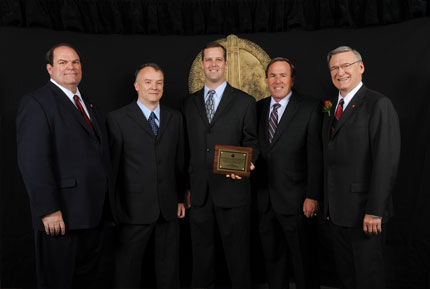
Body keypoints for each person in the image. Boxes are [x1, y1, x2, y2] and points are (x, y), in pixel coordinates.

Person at [16, 43, 111, 289]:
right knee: (58, 281)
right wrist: (48, 209)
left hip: (92, 214)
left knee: (87, 280)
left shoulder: (87, 103)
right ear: (49, 69)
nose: (71, 67)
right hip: (61, 215)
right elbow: (32, 160)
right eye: (63, 62)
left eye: (76, 62)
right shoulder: (37, 103)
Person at [322, 46, 401, 289]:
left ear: (361, 67)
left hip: (365, 214)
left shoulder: (378, 104)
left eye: (346, 65)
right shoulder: (331, 107)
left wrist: (375, 209)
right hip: (337, 213)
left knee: (369, 279)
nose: (340, 72)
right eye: (334, 67)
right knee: (347, 278)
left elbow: (386, 160)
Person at [182, 41, 258, 289]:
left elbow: (252, 142)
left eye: (218, 59)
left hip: (232, 191)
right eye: (208, 60)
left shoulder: (245, 102)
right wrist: (186, 188)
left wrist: (249, 163)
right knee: (200, 258)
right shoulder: (188, 104)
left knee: (238, 258)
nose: (213, 64)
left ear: (226, 64)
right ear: (202, 65)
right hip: (199, 194)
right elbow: (184, 149)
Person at [107, 63, 186, 289]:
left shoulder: (175, 118)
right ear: (136, 86)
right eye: (148, 82)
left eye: (159, 83)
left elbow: (179, 162)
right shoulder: (117, 119)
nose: (154, 87)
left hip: (168, 206)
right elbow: (113, 169)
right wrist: (114, 209)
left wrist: (180, 196)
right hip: (132, 209)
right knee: (127, 268)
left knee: (169, 268)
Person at [256, 57, 322, 289]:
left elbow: (316, 157)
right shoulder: (258, 108)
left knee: (303, 262)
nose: (277, 80)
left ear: (292, 80)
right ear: (266, 80)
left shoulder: (310, 108)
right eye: (272, 75)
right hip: (265, 201)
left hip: (297, 201)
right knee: (273, 262)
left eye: (283, 75)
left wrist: (312, 195)